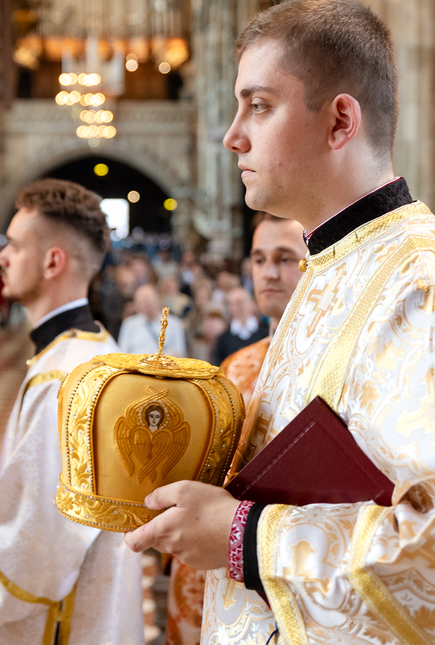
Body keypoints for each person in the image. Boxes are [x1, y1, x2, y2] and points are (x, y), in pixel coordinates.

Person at [124, 0, 435, 645]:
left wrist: (243, 537)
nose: (233, 135)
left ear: (340, 121)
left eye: (258, 105)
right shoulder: (333, 267)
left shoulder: (430, 293)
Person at [0, 179, 144, 644]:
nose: (1, 259)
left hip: (66, 618)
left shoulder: (63, 376)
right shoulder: (93, 348)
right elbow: (61, 484)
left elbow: (44, 535)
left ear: (52, 262)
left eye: (14, 246)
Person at [166, 214, 307, 645]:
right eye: (259, 259)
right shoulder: (236, 366)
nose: (269, 272)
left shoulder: (331, 364)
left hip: (292, 561)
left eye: (285, 259)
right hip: (219, 560)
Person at [118, 284, 187, 357]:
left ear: (157, 299)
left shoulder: (174, 323)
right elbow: (121, 353)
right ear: (136, 305)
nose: (147, 306)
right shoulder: (129, 324)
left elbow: (180, 353)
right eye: (142, 302)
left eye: (149, 301)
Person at [211, 287, 269, 364]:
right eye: (233, 303)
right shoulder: (223, 339)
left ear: (251, 303)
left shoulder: (267, 332)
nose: (238, 307)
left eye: (241, 302)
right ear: (229, 308)